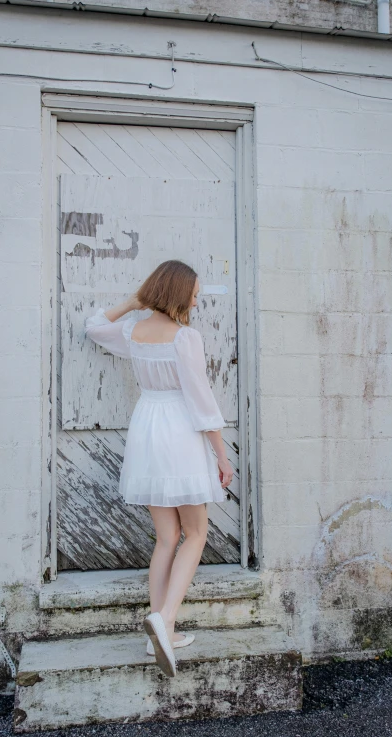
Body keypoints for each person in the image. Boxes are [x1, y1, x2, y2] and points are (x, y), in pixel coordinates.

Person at [84, 260, 234, 677]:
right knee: (197, 532)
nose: (196, 299)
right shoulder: (185, 338)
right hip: (180, 431)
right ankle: (165, 619)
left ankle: (159, 634)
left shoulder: (133, 331)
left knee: (167, 536)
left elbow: (94, 326)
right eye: (193, 291)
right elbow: (201, 402)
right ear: (177, 292)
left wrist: (131, 303)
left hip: (147, 427)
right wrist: (221, 456)